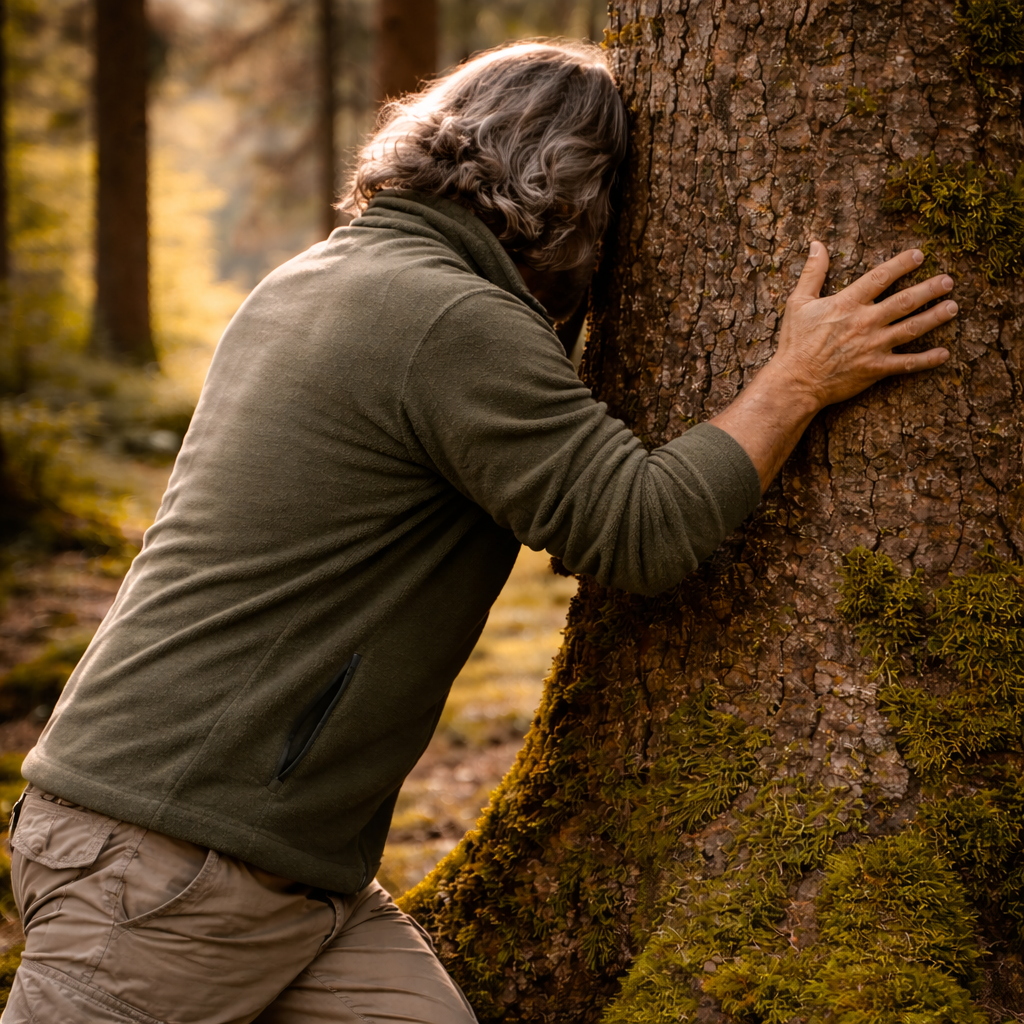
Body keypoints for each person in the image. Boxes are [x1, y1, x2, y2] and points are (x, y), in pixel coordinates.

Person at [3, 40, 957, 1024]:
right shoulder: (449, 320)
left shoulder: (320, 279)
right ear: (579, 204)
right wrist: (795, 380)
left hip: (275, 867)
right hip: (169, 864)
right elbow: (643, 530)